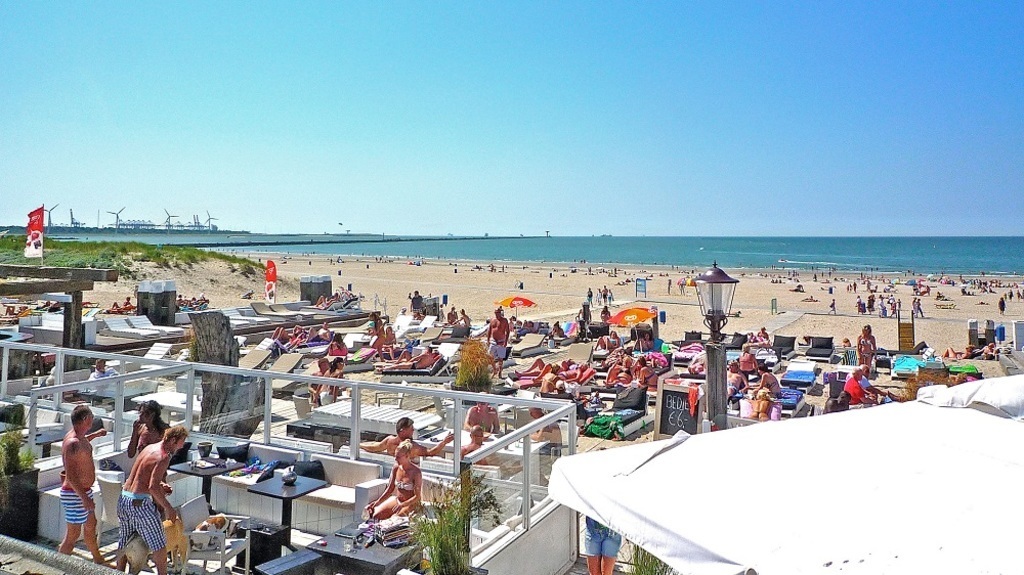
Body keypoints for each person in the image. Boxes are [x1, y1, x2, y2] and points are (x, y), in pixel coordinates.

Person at [117, 426, 189, 575]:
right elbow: (152, 488)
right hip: (140, 504)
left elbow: (141, 475)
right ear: (174, 440)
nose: (182, 446)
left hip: (124, 499)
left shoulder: (150, 448)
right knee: (159, 546)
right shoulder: (163, 457)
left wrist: (161, 484)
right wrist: (169, 508)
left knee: (124, 543)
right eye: (182, 442)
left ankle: (117, 573)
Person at [58, 405, 107, 564]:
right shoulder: (72, 443)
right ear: (86, 419)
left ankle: (97, 559)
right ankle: (56, 565)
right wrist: (84, 498)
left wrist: (96, 435)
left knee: (91, 525)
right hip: (75, 494)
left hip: (83, 492)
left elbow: (83, 443)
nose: (93, 419)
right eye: (91, 417)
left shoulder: (79, 437)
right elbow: (71, 476)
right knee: (72, 535)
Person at [366, 440, 422, 520]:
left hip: (411, 504)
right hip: (398, 501)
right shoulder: (396, 468)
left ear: (407, 456)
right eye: (395, 456)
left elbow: (417, 496)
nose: (395, 459)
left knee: (394, 519)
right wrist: (377, 503)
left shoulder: (416, 472)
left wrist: (402, 505)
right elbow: (390, 489)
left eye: (398, 457)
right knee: (376, 516)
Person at [361, 417, 453, 458]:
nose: (413, 431)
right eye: (411, 429)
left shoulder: (389, 441)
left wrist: (359, 445)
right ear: (403, 430)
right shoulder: (411, 446)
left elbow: (375, 448)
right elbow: (430, 452)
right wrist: (444, 442)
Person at [485, 307, 511, 377]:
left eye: (498, 313)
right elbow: (490, 330)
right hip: (493, 340)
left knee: (500, 358)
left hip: (501, 341)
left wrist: (506, 341)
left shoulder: (504, 320)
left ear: (500, 313)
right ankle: (495, 369)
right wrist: (488, 340)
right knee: (489, 357)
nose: (497, 314)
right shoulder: (492, 320)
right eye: (496, 313)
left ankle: (500, 371)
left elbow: (507, 331)